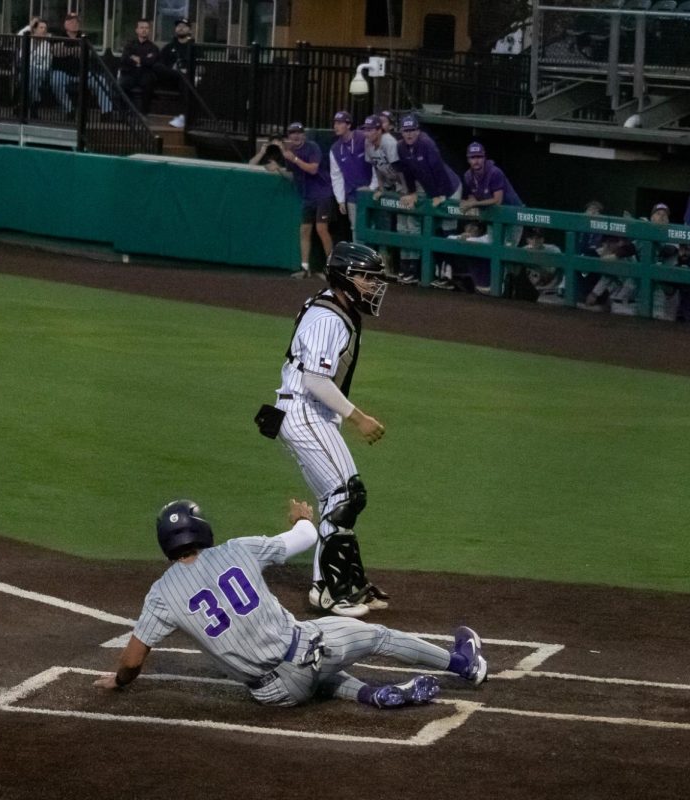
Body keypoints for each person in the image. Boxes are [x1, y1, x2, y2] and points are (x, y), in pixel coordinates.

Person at [92, 498, 488, 709]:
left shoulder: (161, 594)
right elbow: (305, 537)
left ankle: (372, 695)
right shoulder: (238, 549)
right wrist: (302, 517)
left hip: (274, 696)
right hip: (305, 653)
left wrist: (118, 682)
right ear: (201, 530)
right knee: (377, 636)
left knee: (321, 678)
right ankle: (463, 664)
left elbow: (131, 661)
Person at [255, 241, 390, 617]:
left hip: (312, 413)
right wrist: (358, 417)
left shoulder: (339, 308)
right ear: (345, 277)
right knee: (344, 496)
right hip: (303, 411)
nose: (373, 285)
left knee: (344, 497)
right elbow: (315, 380)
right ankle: (331, 590)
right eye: (366, 277)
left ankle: (343, 582)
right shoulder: (329, 316)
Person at [396, 115, 462, 287]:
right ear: (401, 132)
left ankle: (448, 276)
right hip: (430, 189)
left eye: (412, 131)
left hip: (450, 188)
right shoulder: (401, 147)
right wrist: (411, 192)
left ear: (418, 131)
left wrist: (441, 195)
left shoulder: (427, 144)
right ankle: (426, 271)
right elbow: (407, 171)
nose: (409, 134)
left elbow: (438, 169)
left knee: (448, 229)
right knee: (433, 227)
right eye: (406, 131)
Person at [280, 122, 336, 279]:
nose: (296, 136)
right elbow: (292, 174)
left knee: (321, 229)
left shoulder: (312, 147)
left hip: (323, 193)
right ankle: (305, 268)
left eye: (298, 133)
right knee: (304, 230)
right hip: (307, 196)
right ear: (289, 136)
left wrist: (294, 159)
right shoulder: (289, 153)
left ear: (303, 134)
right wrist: (278, 169)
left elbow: (313, 169)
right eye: (292, 133)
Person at [360, 114, 409, 276]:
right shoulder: (367, 143)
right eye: (366, 130)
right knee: (385, 222)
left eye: (371, 130)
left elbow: (400, 168)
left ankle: (404, 268)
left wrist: (405, 189)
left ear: (380, 130)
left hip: (406, 181)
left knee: (405, 225)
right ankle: (386, 266)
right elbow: (376, 166)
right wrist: (380, 188)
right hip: (389, 184)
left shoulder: (389, 143)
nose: (367, 133)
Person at [49, 12, 115, 119]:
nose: (75, 24)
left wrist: (67, 50)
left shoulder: (84, 36)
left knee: (101, 81)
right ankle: (69, 109)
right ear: (66, 24)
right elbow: (56, 51)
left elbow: (87, 53)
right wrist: (75, 50)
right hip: (62, 71)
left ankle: (106, 112)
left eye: (77, 22)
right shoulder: (58, 35)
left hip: (82, 72)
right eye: (72, 21)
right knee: (56, 81)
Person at [459, 141, 524, 247]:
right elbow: (472, 196)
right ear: (468, 159)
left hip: (512, 214)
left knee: (508, 250)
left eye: (479, 157)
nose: (476, 160)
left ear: (484, 158)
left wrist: (473, 204)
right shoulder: (468, 176)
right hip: (493, 214)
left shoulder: (494, 172)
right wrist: (469, 202)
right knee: (493, 247)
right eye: (473, 157)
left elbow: (497, 200)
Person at [328, 111, 372, 241]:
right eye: (335, 123)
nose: (336, 126)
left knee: (373, 227)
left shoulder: (363, 138)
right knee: (355, 228)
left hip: (371, 191)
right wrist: (341, 199)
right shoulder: (335, 149)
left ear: (348, 125)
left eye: (340, 123)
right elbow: (336, 176)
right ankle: (360, 259)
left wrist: (373, 187)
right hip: (352, 195)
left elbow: (376, 162)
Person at [156, 17, 198, 128]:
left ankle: (184, 116)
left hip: (186, 80)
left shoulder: (194, 47)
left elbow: (201, 66)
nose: (181, 28)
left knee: (185, 80)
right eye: (179, 26)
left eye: (184, 27)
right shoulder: (169, 47)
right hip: (170, 78)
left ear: (189, 30)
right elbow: (160, 64)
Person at [118, 18, 160, 114]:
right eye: (141, 27)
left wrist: (136, 58)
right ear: (137, 30)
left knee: (148, 83)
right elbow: (124, 59)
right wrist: (144, 58)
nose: (144, 30)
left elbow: (151, 62)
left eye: (146, 28)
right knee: (122, 84)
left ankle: (143, 113)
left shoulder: (153, 47)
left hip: (145, 73)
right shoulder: (129, 45)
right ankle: (123, 112)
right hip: (130, 72)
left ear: (149, 30)